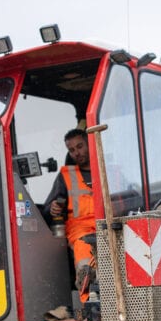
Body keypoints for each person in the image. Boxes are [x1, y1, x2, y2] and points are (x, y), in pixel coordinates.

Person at [44, 128, 95, 302]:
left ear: (90, 144)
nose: (76, 153)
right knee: (83, 249)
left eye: (80, 146)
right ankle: (88, 298)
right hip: (80, 231)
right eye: (71, 150)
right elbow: (47, 209)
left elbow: (128, 199)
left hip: (109, 225)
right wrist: (53, 208)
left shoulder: (110, 170)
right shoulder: (66, 176)